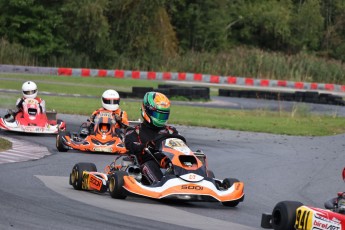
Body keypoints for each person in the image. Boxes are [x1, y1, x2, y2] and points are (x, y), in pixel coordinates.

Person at [124, 91, 179, 184]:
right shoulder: (134, 132)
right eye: (158, 115)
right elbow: (133, 148)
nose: (161, 118)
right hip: (144, 168)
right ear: (146, 111)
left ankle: (193, 180)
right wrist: (146, 146)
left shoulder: (171, 132)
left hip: (169, 164)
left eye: (163, 115)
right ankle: (161, 184)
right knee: (149, 164)